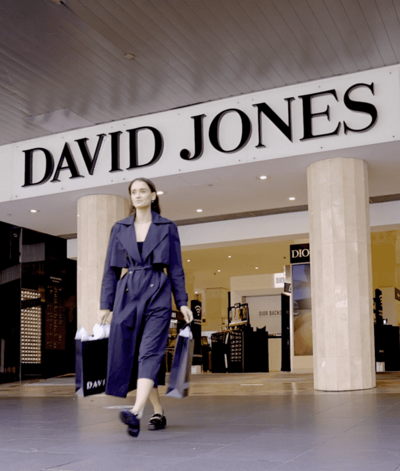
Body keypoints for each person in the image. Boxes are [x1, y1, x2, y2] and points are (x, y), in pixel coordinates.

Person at [98, 177, 193, 438]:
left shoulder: (167, 227)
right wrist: (105, 305)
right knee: (134, 353)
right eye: (133, 192)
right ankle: (158, 411)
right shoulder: (119, 228)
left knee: (149, 351)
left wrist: (182, 302)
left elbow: (176, 268)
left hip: (158, 292)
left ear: (153, 196)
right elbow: (111, 269)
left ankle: (136, 411)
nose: (138, 195)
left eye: (143, 191)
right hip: (127, 294)